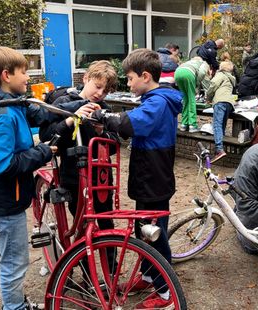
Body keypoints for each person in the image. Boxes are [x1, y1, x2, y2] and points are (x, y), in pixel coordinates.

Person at [87, 48, 183, 309]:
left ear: (144, 76)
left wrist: (103, 116)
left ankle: (165, 292)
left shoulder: (158, 102)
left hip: (154, 180)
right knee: (145, 231)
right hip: (149, 179)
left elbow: (131, 124)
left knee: (154, 234)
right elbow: (134, 130)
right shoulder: (155, 99)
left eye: (129, 79)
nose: (128, 84)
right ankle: (149, 275)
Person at [0, 46, 57, 310]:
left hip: (7, 199)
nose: (28, 78)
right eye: (24, 72)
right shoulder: (2, 115)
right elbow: (3, 165)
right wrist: (42, 152)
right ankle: (14, 307)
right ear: (6, 75)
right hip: (4, 203)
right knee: (14, 262)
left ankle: (17, 303)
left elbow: (39, 113)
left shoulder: (10, 103)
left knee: (12, 258)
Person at [39, 60, 119, 217]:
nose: (99, 93)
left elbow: (114, 144)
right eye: (97, 86)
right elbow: (46, 136)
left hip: (101, 178)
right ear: (85, 78)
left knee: (106, 221)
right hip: (73, 176)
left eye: (105, 91)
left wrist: (101, 132)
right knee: (80, 222)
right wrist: (70, 120)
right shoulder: (64, 102)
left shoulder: (104, 109)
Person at [206, 61, 237, 163]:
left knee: (217, 125)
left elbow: (213, 85)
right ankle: (218, 150)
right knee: (222, 125)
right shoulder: (231, 78)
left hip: (220, 101)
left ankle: (219, 149)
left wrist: (208, 97)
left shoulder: (220, 75)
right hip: (229, 103)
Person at [174, 56, 211, 132]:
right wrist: (196, 84)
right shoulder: (204, 63)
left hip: (177, 73)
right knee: (191, 100)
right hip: (188, 73)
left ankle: (184, 124)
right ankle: (192, 125)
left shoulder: (188, 62)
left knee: (185, 100)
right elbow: (202, 73)